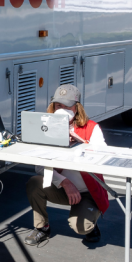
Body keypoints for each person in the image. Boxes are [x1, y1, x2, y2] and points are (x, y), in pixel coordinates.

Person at [24, 85, 110, 247]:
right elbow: (40, 167)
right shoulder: (46, 129)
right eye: (58, 106)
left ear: (77, 107)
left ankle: (90, 220)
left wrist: (79, 141)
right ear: (53, 107)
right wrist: (65, 182)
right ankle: (42, 227)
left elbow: (103, 157)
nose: (62, 109)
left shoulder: (91, 127)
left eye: (67, 106)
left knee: (81, 227)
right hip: (63, 189)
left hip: (87, 192)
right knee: (35, 182)